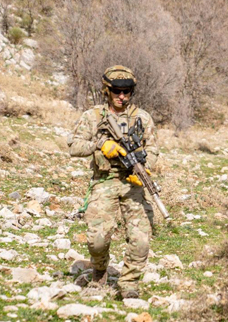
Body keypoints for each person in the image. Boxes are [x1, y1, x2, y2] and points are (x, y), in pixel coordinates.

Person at [68, 66, 159, 299]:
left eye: (127, 92)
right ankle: (99, 272)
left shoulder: (142, 118)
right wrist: (99, 145)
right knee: (97, 239)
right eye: (117, 91)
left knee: (140, 239)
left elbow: (154, 150)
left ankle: (129, 284)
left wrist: (145, 168)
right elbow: (74, 146)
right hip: (104, 180)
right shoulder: (93, 116)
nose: (122, 97)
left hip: (133, 184)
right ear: (107, 91)